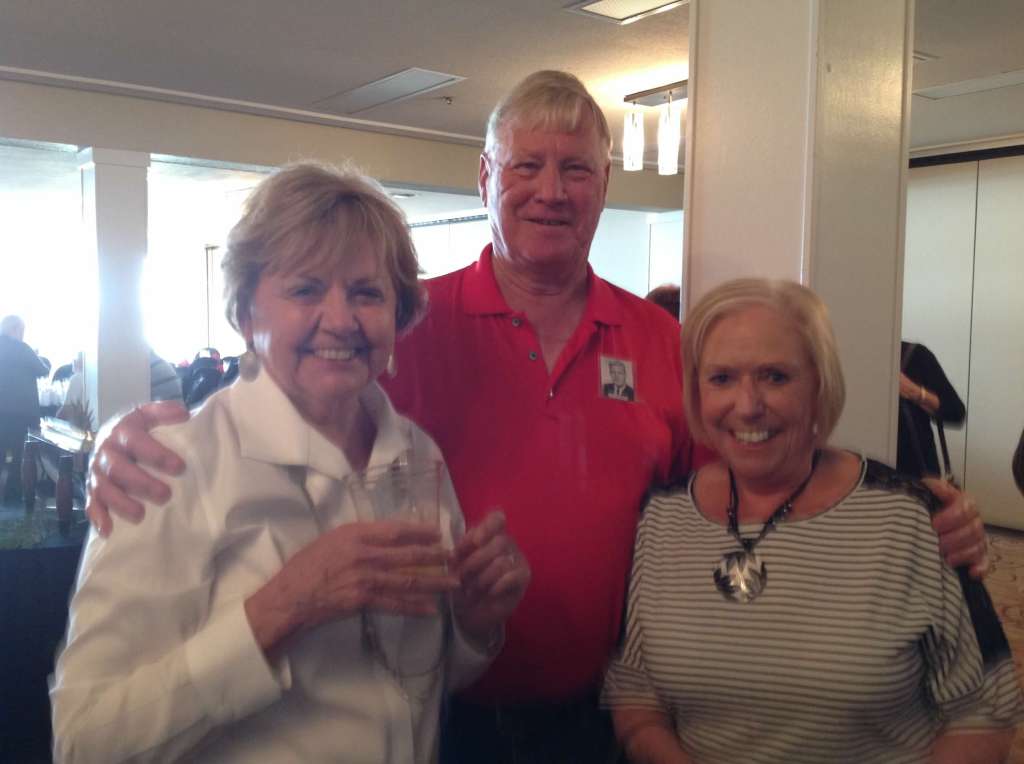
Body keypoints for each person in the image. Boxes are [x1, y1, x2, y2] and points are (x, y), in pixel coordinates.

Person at [82, 71, 990, 762]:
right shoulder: (408, 323)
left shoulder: (659, 339)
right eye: (526, 165)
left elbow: (751, 468)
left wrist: (908, 508)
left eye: (576, 169)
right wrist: (126, 439)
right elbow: (292, 384)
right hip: (444, 715)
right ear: (486, 177)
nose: (551, 190)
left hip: (609, 708)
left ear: (604, 184)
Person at [50, 163, 530, 763]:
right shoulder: (169, 466)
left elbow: (415, 682)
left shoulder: (415, 454)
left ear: (397, 313)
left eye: (367, 293)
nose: (341, 320)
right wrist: (282, 608)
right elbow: (84, 739)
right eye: (305, 289)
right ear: (247, 314)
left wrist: (475, 623)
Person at [604, 278, 1023, 763]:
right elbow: (635, 691)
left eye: (775, 377)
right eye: (721, 378)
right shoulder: (664, 516)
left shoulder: (911, 519)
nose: (747, 405)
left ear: (820, 387)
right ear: (696, 393)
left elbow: (983, 712)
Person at [0, 314, 50, 503]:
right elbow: (43, 370)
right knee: (17, 454)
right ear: (15, 329)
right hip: (19, 413)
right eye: (21, 330)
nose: (22, 334)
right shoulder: (22, 349)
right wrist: (38, 356)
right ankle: (12, 495)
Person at [898, 340, 966, 479]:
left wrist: (915, 392)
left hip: (919, 480)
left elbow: (956, 412)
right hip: (866, 476)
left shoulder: (914, 355)